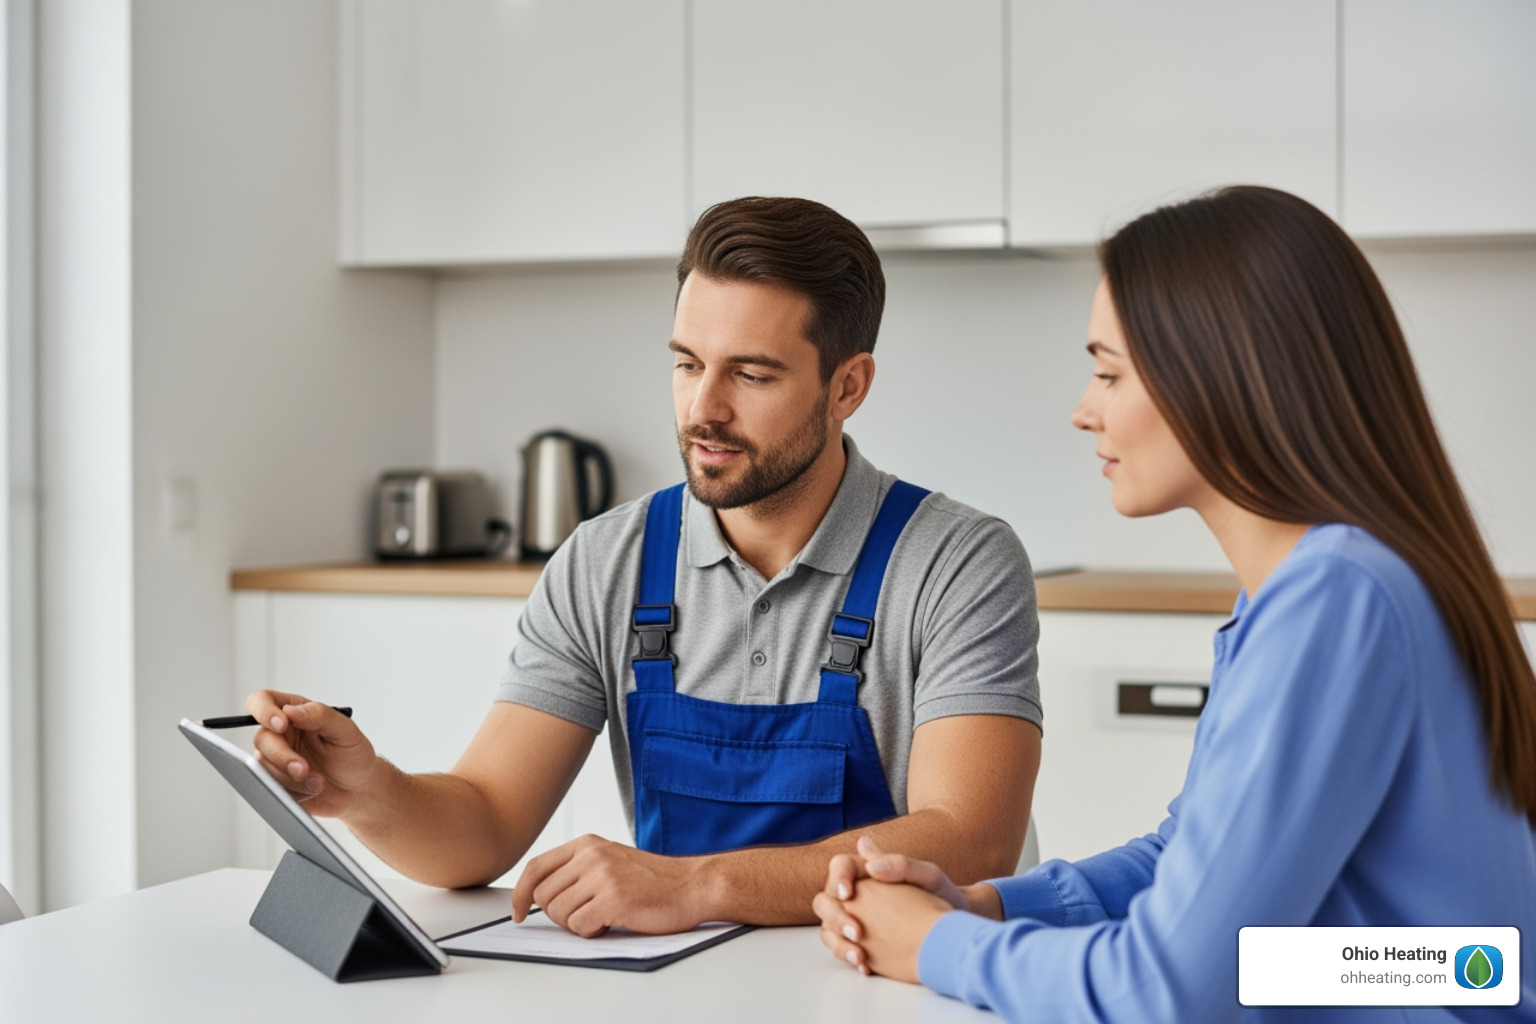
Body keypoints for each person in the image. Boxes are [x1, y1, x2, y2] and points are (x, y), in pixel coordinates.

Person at [814, 186, 1536, 1021]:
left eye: (1109, 371)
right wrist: (993, 907)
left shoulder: (1336, 596)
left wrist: (934, 947)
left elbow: (1171, 986)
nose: (1085, 410)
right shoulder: (1325, 582)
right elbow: (1197, 863)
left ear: (1222, 378)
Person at [247, 196, 1044, 938]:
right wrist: (368, 791)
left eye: (752, 374)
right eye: (688, 363)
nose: (705, 408)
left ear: (848, 387)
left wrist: (695, 886)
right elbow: (484, 822)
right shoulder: (605, 562)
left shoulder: (958, 562)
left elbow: (969, 842)